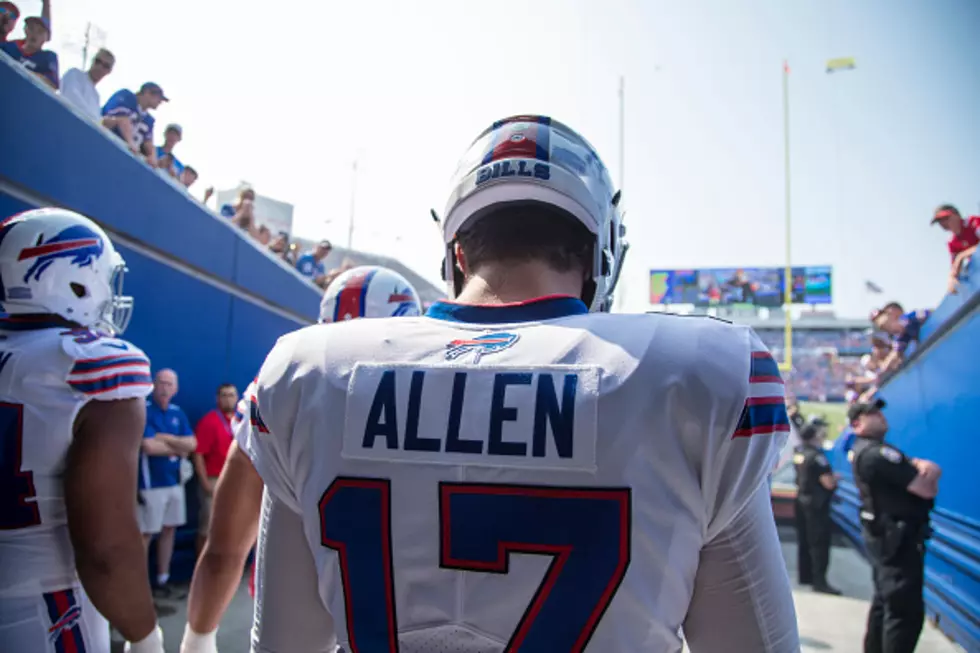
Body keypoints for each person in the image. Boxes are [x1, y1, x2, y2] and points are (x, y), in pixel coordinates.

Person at [242, 116, 799, 652]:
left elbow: (284, 644)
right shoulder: (694, 376)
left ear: (457, 251)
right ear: (595, 252)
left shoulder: (313, 371)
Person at [179, 266, 423, 653]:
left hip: (292, 613)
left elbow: (224, 551)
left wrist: (197, 639)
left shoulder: (287, 387)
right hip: (411, 618)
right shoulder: (446, 398)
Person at [0, 208, 165, 652]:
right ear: (73, 280)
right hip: (41, 607)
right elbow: (104, 548)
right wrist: (145, 635)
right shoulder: (85, 363)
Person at [849, 398, 940, 653]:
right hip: (897, 540)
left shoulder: (867, 451)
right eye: (872, 414)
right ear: (857, 424)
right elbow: (924, 488)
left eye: (879, 412)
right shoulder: (878, 453)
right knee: (904, 613)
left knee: (885, 603)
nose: (881, 416)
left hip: (885, 537)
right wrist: (932, 471)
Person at [139, 368, 196, 598]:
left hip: (175, 483)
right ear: (154, 385)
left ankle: (162, 579)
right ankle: (139, 585)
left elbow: (192, 444)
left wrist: (165, 438)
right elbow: (148, 447)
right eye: (161, 383)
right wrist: (177, 445)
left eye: (169, 384)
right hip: (150, 484)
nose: (164, 388)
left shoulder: (177, 413)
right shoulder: (144, 410)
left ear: (176, 388)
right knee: (146, 534)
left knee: (169, 529)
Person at [793, 416, 840, 594]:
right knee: (819, 543)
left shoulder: (799, 452)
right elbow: (827, 482)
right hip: (816, 504)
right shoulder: (818, 457)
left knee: (804, 541)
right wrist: (835, 481)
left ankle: (805, 576)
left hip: (801, 500)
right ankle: (819, 581)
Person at [191, 383, 239, 556]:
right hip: (214, 480)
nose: (228, 399)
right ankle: (201, 568)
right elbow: (198, 454)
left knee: (235, 526)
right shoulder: (209, 421)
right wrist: (205, 483)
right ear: (217, 398)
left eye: (232, 395)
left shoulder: (240, 421)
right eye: (224, 395)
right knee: (208, 527)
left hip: (237, 481)